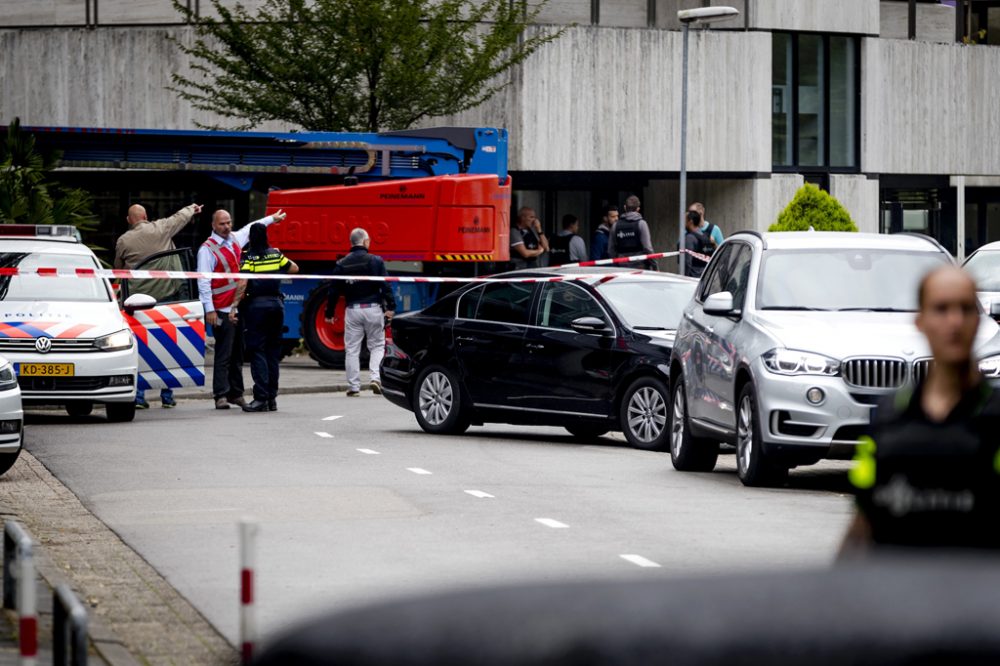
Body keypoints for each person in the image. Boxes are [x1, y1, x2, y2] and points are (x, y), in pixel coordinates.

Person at [839, 266, 1000, 555]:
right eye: (941, 309)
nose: (955, 321)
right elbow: (862, 524)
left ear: (978, 320)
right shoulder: (888, 417)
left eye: (965, 308)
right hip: (897, 596)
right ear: (920, 321)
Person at [114, 202, 203, 409]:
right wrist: (193, 208)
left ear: (129, 220)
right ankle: (167, 396)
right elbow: (179, 217)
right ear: (146, 216)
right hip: (166, 299)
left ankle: (138, 396)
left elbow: (117, 270)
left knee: (140, 348)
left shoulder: (124, 240)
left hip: (136, 303)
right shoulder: (161, 228)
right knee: (168, 345)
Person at [197, 208, 287, 410]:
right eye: (222, 223)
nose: (227, 226)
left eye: (229, 222)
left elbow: (252, 227)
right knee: (224, 354)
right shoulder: (207, 249)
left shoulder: (235, 239)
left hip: (239, 307)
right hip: (221, 307)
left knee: (238, 353)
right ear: (213, 225)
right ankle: (220, 394)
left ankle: (235, 393)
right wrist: (209, 310)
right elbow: (203, 282)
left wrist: (273, 219)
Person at [230, 224, 299, 413]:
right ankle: (271, 398)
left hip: (256, 309)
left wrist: (234, 306)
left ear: (251, 238)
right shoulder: (275, 254)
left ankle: (260, 398)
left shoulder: (249, 257)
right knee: (272, 352)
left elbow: (243, 283)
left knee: (257, 351)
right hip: (276, 306)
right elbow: (294, 268)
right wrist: (277, 258)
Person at [324, 228, 396, 397]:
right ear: (364, 242)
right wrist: (391, 308)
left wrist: (329, 313)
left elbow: (333, 291)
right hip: (373, 309)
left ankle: (354, 387)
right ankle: (376, 378)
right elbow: (385, 286)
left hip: (353, 310)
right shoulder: (375, 261)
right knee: (377, 346)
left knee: (352, 349)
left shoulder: (341, 264)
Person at [609, 195, 655, 270]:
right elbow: (648, 248)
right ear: (638, 209)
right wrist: (654, 265)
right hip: (640, 267)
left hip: (622, 268)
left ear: (624, 207)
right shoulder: (642, 224)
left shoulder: (615, 226)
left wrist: (617, 264)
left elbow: (611, 250)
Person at [683, 211, 710, 278]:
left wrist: (684, 278)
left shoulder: (690, 238)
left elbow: (687, 262)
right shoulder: (705, 236)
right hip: (704, 276)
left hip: (692, 277)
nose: (683, 223)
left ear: (690, 222)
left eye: (685, 220)